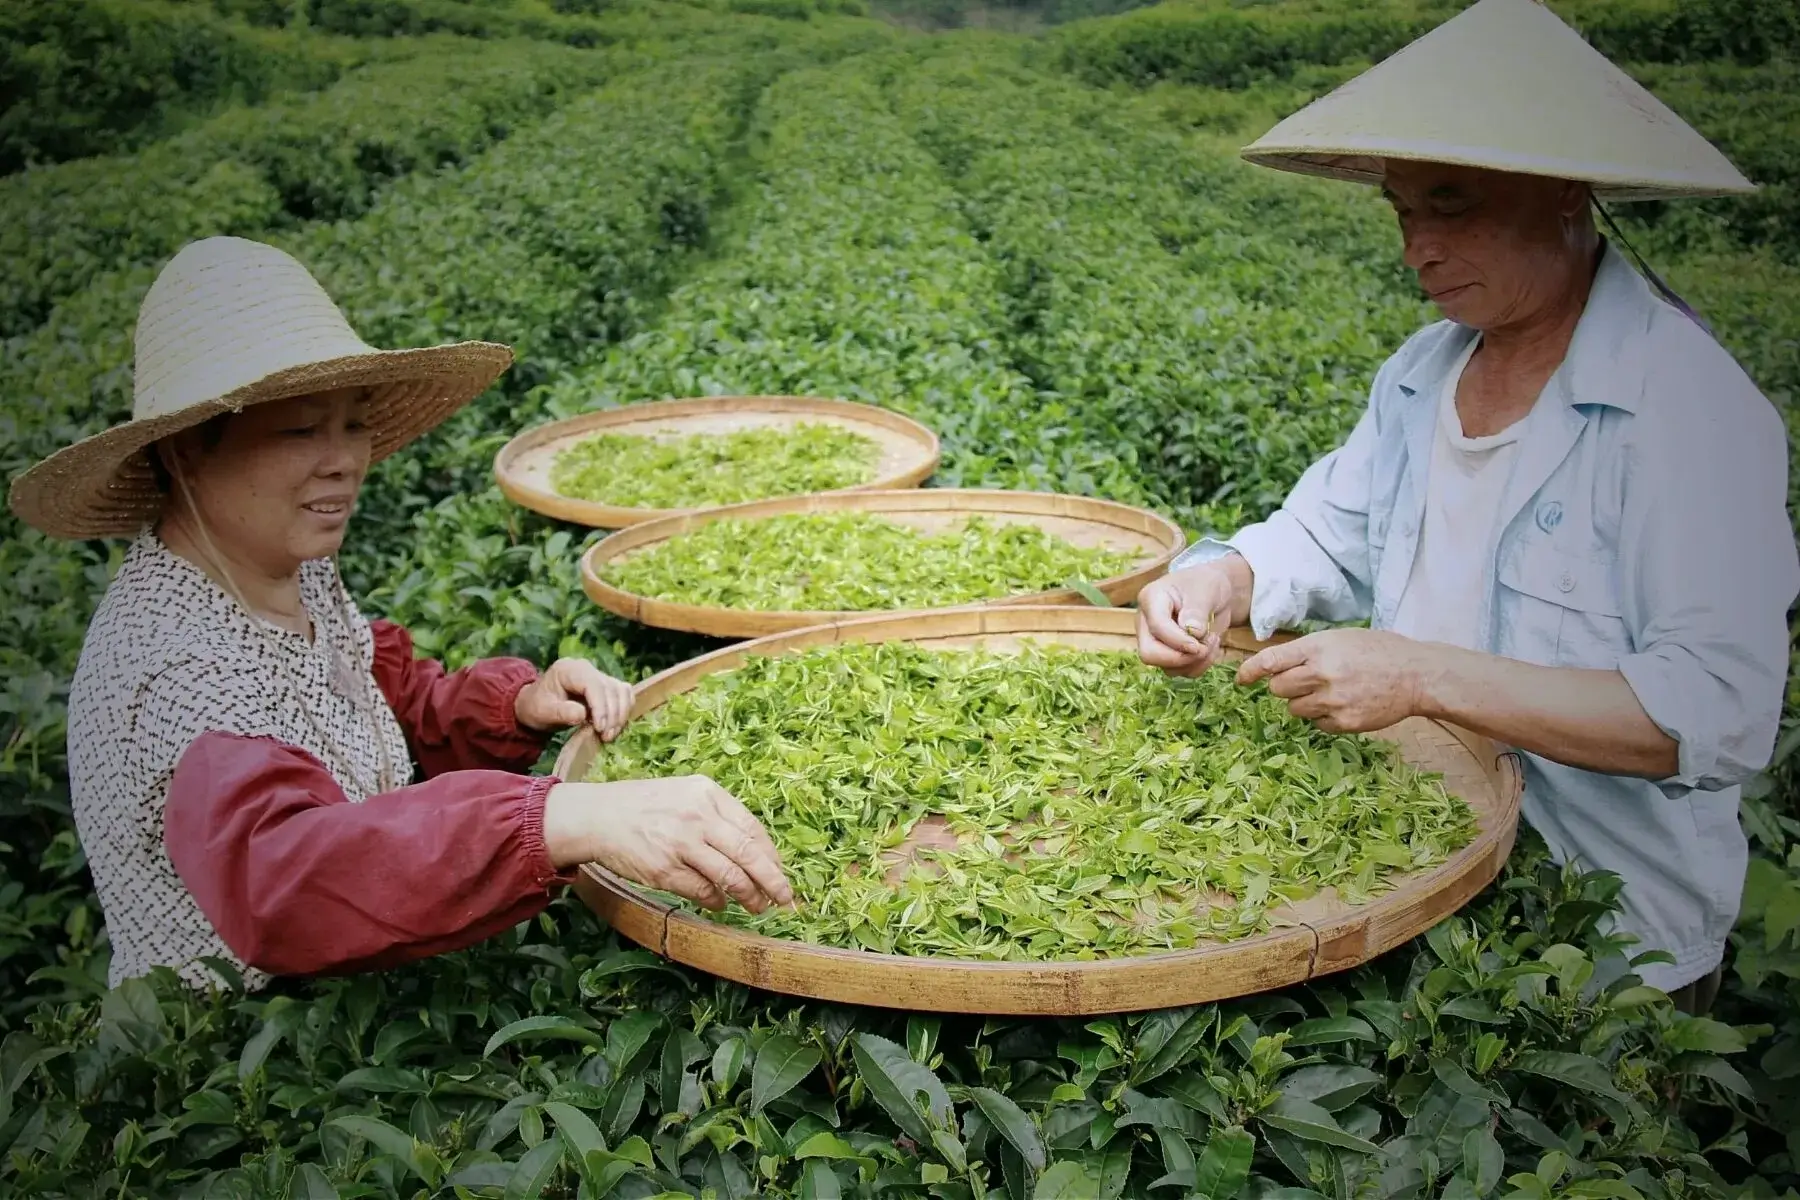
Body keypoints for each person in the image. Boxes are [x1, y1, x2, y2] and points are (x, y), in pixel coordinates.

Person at [1134, 0, 1798, 1015]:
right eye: (1405, 212)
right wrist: (1220, 577)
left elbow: (1715, 713)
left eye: (1450, 205)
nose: (1419, 250)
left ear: (1562, 191)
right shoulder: (1421, 375)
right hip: (1422, 869)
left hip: (1603, 943)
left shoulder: (1688, 411)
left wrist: (1417, 674)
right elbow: (1325, 532)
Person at [9, 236, 793, 995]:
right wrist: (562, 816)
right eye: (299, 428)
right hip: (239, 1055)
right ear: (185, 452)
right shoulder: (175, 664)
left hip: (354, 996)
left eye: (353, 422)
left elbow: (376, 695)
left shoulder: (284, 568)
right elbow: (282, 878)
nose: (346, 458)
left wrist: (516, 704)